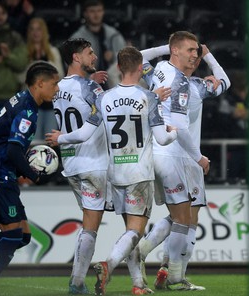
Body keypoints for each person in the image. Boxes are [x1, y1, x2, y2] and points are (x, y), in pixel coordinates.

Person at [137, 42, 230, 291]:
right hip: (181, 157)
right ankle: (171, 272)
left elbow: (138, 57)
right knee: (187, 219)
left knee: (183, 216)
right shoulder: (195, 86)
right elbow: (224, 81)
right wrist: (210, 56)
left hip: (158, 152)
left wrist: (167, 48)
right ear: (177, 51)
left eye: (197, 54)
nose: (195, 57)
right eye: (191, 51)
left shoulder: (157, 72)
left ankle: (165, 266)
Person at [92, 46, 177, 296]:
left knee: (130, 233)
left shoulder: (104, 98)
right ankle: (107, 265)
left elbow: (87, 133)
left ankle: (138, 284)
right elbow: (161, 139)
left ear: (118, 68)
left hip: (116, 173)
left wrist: (63, 139)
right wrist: (174, 132)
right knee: (135, 231)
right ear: (141, 68)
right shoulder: (148, 98)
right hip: (139, 173)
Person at [51, 38, 108, 294]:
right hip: (94, 163)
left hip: (71, 163)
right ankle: (77, 283)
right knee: (91, 226)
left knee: (88, 222)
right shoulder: (89, 88)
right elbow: (107, 112)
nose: (94, 56)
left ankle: (78, 280)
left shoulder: (57, 87)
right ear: (76, 57)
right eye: (89, 53)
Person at [0, 61, 59, 278]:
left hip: (4, 172)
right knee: (12, 236)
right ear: (40, 83)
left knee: (22, 236)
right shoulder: (27, 110)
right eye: (54, 84)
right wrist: (33, 174)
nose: (57, 89)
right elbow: (13, 151)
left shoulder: (21, 99)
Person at [17, 17, 64, 141]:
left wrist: (37, 66)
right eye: (32, 29)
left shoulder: (53, 52)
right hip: (30, 106)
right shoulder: (23, 53)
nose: (35, 32)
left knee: (49, 142)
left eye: (38, 29)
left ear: (44, 32)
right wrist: (36, 65)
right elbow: (20, 78)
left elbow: (60, 75)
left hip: (50, 106)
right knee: (31, 142)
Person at [70, 0, 125, 88]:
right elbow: (71, 65)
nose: (96, 15)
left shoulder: (114, 35)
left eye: (99, 11)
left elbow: (126, 60)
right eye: (92, 11)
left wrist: (113, 56)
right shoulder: (77, 38)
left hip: (113, 83)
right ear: (85, 13)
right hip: (87, 84)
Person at [0, 0, 28, 112]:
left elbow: (21, 63)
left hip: (8, 95)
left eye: (2, 13)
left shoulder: (15, 37)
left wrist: (7, 56)